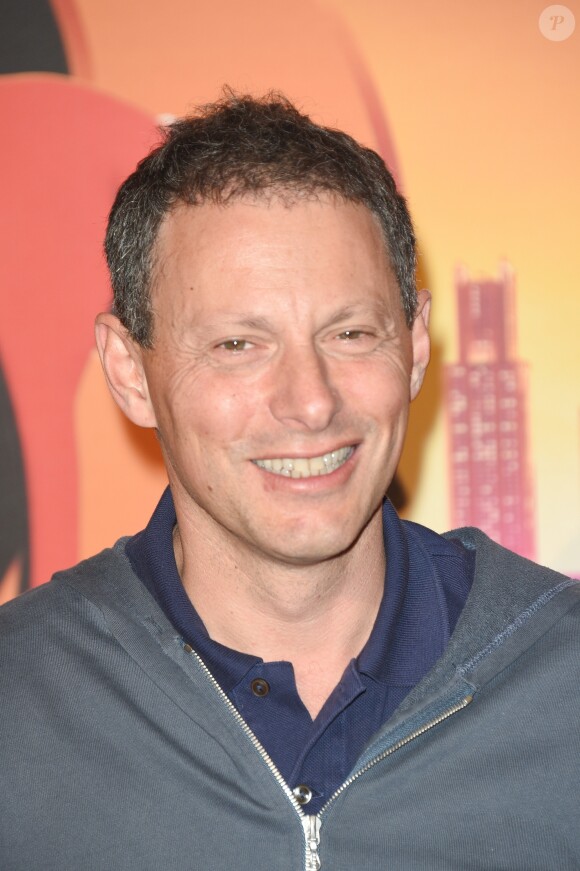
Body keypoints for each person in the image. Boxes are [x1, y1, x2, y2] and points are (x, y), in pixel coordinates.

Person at [1, 93, 578, 871]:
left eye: (350, 333)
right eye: (239, 343)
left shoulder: (562, 677)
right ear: (129, 372)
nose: (310, 401)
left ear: (412, 347)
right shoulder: (20, 701)